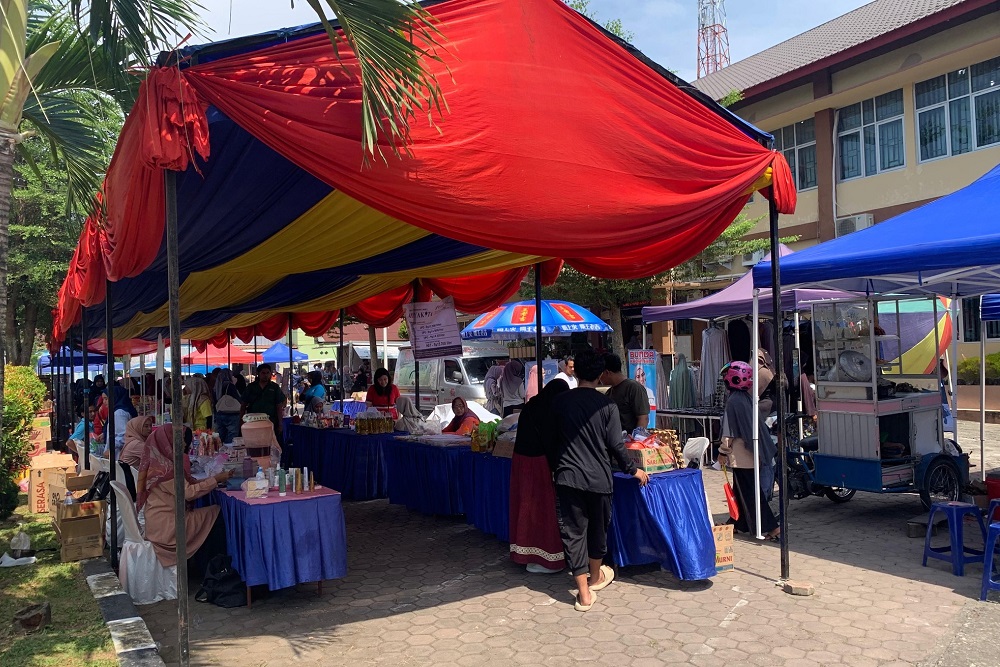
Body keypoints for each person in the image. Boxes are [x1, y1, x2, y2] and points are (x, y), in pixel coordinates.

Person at [549, 351, 649, 612]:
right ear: (600, 373)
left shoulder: (559, 403)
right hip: (598, 479)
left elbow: (550, 441)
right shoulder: (607, 406)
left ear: (577, 371)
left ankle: (584, 592)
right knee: (597, 529)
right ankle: (595, 577)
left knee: (573, 532)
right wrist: (633, 470)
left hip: (568, 477)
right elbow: (616, 445)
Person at [137, 424, 233, 573]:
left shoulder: (161, 463)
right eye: (180, 439)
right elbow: (188, 492)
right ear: (168, 442)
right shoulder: (165, 470)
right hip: (168, 526)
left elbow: (188, 485)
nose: (184, 443)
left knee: (210, 515)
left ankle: (205, 566)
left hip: (160, 521)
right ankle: (211, 570)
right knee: (217, 513)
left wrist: (216, 479)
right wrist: (216, 480)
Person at [509, 378, 569, 574]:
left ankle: (525, 554)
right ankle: (545, 558)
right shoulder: (549, 411)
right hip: (538, 463)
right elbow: (551, 443)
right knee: (542, 509)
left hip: (521, 461)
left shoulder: (531, 405)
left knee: (525, 507)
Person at [716, 361, 780, 541]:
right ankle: (737, 523)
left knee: (751, 494)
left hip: (741, 457)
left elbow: (728, 432)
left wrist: (722, 452)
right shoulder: (746, 399)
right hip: (753, 455)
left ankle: (773, 528)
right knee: (741, 491)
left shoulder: (733, 401)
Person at [602, 354, 649, 434]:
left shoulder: (633, 388)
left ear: (607, 372)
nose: (599, 377)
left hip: (630, 441)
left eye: (600, 374)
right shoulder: (609, 392)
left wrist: (636, 440)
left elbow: (643, 418)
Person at [242, 364, 287, 443]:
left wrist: (280, 423)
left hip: (270, 421)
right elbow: (243, 405)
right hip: (253, 422)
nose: (265, 375)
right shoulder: (251, 387)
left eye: (267, 373)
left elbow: (279, 406)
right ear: (258, 374)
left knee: (271, 444)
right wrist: (241, 421)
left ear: (270, 374)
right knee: (254, 443)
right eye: (263, 373)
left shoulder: (275, 387)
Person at [213, 369, 243, 443]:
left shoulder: (216, 387)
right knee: (232, 434)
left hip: (219, 413)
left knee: (221, 434)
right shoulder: (230, 385)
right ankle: (228, 450)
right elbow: (238, 399)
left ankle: (220, 448)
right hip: (232, 414)